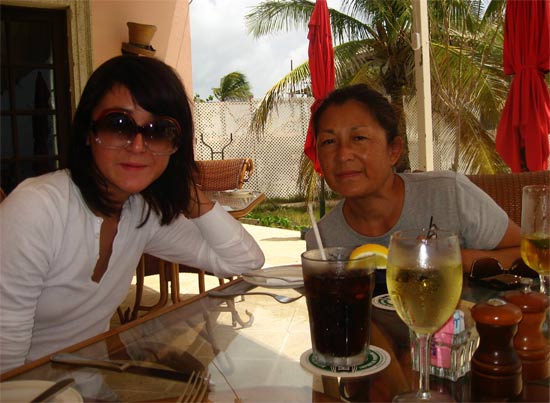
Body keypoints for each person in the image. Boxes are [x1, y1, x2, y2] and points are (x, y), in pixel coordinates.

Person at [0, 55, 265, 373]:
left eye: (159, 131)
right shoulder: (37, 209)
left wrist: (188, 190)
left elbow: (245, 262)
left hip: (93, 390)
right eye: (119, 125)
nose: (138, 145)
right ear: (88, 132)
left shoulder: (140, 213)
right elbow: (6, 360)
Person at [305, 84, 520, 273]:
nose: (343, 154)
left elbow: (529, 253)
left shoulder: (447, 193)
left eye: (359, 138)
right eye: (329, 142)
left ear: (394, 151)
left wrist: (455, 260)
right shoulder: (322, 240)